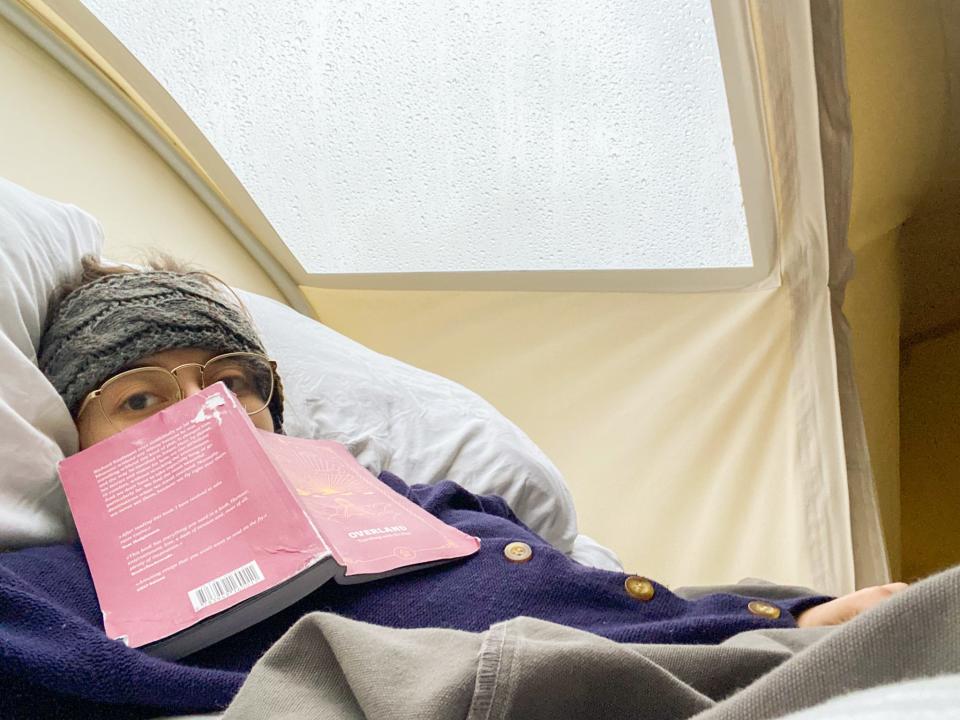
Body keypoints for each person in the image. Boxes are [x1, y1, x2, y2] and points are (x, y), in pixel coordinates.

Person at [1, 255, 905, 718]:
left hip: (695, 658)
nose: (204, 416)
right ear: (73, 440)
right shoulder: (68, 584)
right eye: (140, 399)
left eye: (231, 384)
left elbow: (619, 606)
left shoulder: (421, 501)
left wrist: (781, 618)